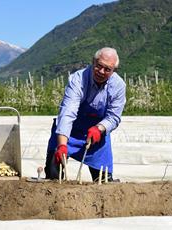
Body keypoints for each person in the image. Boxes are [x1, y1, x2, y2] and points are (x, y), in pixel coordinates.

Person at [44, 47, 126, 182]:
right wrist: (62, 145)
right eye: (99, 66)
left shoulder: (119, 86)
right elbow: (67, 112)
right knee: (54, 177)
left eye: (107, 69)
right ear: (93, 62)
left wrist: (100, 128)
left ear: (113, 71)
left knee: (103, 181)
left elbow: (114, 117)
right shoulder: (78, 79)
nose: (101, 72)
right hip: (69, 131)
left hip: (95, 135)